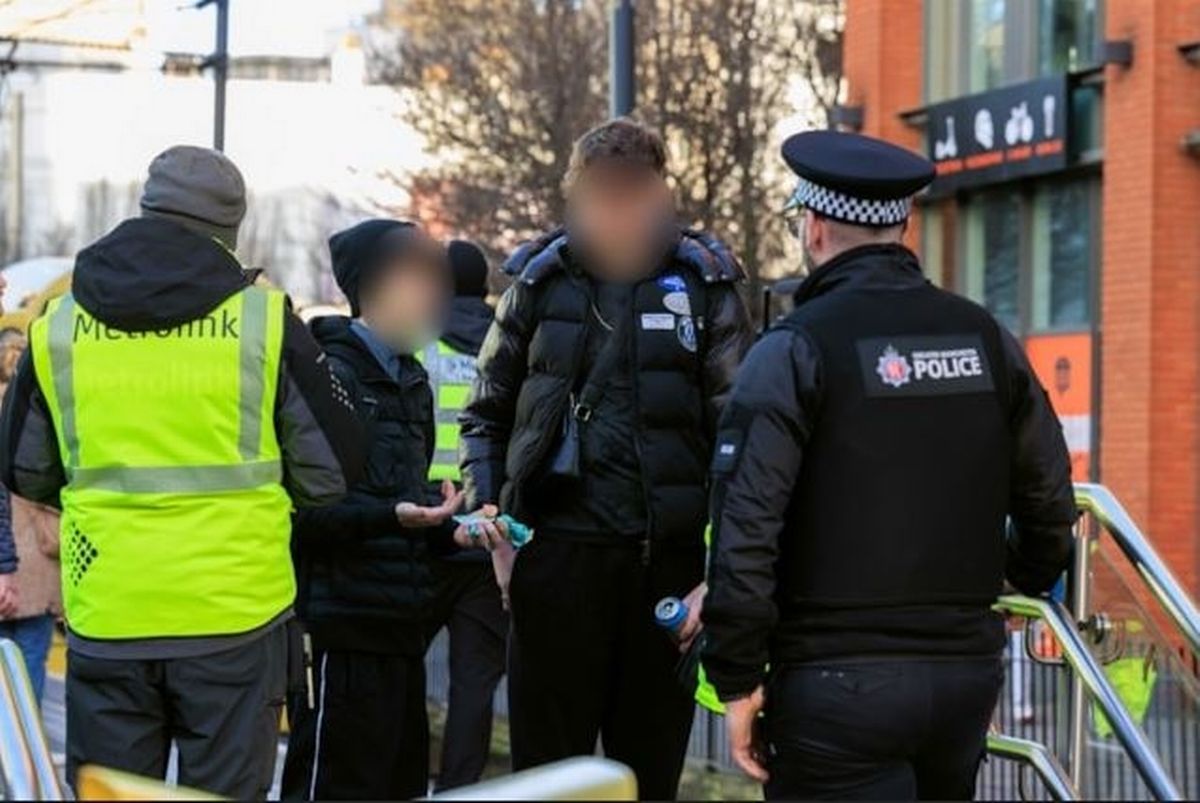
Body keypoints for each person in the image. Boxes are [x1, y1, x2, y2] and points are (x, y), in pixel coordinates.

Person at [700, 130, 1077, 801]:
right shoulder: (986, 337)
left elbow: (746, 524)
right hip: (964, 674)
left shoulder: (795, 349)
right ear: (904, 226)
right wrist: (1026, 572)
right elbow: (1050, 492)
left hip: (835, 685)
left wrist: (736, 678)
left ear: (814, 228)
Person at [0, 145, 366, 799]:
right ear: (229, 234)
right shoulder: (263, 320)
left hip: (109, 610)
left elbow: (25, 470)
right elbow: (333, 471)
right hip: (236, 616)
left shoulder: (59, 327)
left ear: (145, 213)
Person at [459, 117, 754, 799]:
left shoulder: (704, 282)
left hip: (667, 569)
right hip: (554, 558)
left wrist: (722, 570)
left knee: (646, 771)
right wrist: (495, 529)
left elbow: (743, 435)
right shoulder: (538, 280)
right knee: (547, 776)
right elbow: (485, 411)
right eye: (602, 194)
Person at [281, 220, 501, 801]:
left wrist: (451, 529)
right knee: (332, 788)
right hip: (340, 632)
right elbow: (305, 516)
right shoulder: (329, 374)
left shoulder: (411, 378)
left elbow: (405, 502)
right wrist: (394, 517)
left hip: (401, 630)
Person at [421, 239, 509, 792]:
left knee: (403, 670)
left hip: (423, 525)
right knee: (473, 686)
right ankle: (459, 789)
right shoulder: (508, 346)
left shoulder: (417, 344)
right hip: (484, 531)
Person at [0, 328, 60, 705]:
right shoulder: (43, 407)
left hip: (9, 561)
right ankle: (25, 758)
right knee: (29, 676)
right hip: (37, 561)